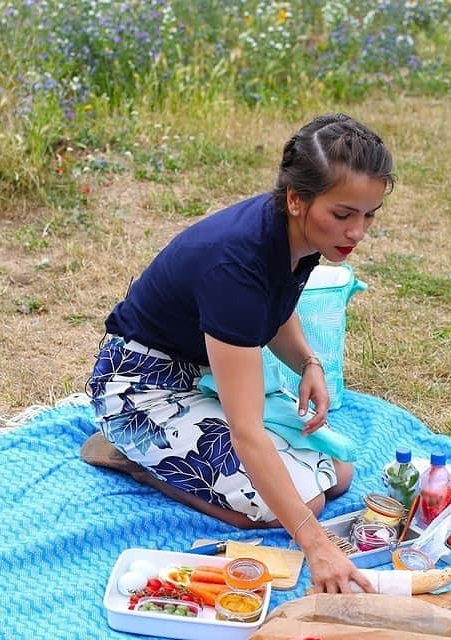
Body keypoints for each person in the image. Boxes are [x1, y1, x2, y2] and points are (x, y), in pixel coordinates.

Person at [86, 112, 394, 593]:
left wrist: (308, 363)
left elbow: (275, 305)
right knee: (293, 509)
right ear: (297, 199)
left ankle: (164, 451)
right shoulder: (235, 263)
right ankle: (133, 455)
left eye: (369, 214)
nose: (358, 231)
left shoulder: (300, 231)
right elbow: (246, 431)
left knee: (339, 474)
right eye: (344, 214)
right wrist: (317, 546)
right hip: (140, 391)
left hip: (196, 379)